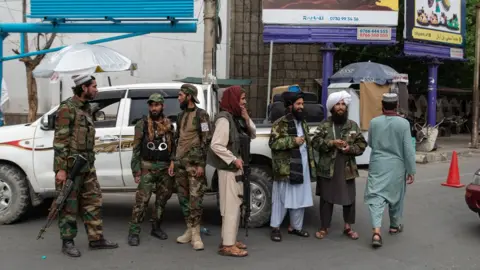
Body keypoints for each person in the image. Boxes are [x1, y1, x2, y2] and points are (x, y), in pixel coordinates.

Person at [53, 74, 119, 257]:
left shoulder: (87, 108)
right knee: (68, 204)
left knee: (93, 201)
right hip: (71, 167)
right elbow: (60, 141)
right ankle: (67, 242)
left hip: (87, 165)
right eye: (94, 86)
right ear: (84, 88)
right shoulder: (67, 108)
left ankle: (96, 239)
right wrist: (61, 170)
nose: (97, 90)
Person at [311, 90, 367, 240]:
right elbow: (315, 142)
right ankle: (324, 227)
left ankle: (348, 227)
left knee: (349, 198)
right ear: (332, 108)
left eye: (343, 104)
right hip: (328, 168)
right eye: (338, 104)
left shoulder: (352, 125)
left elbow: (362, 144)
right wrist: (331, 143)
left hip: (346, 168)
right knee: (326, 198)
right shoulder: (325, 125)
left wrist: (350, 149)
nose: (341, 107)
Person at [208, 86, 256, 257]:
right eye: (242, 99)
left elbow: (254, 133)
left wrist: (246, 116)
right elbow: (216, 145)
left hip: (236, 169)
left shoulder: (235, 118)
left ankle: (230, 240)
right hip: (229, 170)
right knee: (231, 207)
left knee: (235, 205)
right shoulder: (224, 119)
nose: (244, 102)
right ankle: (227, 245)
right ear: (233, 99)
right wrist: (233, 158)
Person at [364, 93, 416, 248]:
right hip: (397, 166)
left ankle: (376, 232)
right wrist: (411, 170)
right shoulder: (403, 123)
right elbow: (408, 149)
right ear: (397, 105)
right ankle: (394, 226)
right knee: (396, 196)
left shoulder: (374, 122)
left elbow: (371, 143)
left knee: (376, 197)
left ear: (382, 105)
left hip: (378, 164)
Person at [127, 93, 176, 246]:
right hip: (147, 167)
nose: (154, 108)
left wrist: (173, 163)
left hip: (164, 167)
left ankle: (156, 227)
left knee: (161, 200)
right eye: (151, 105)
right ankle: (134, 231)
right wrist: (136, 170)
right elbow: (136, 148)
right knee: (142, 201)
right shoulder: (141, 124)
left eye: (157, 105)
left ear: (162, 106)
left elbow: (173, 147)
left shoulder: (169, 125)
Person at [268, 87, 316, 242]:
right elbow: (273, 143)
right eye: (299, 104)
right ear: (290, 105)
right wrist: (292, 141)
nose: (302, 106)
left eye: (302, 104)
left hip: (302, 167)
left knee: (299, 198)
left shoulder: (303, 123)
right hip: (286, 169)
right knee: (281, 199)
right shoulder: (279, 124)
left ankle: (296, 227)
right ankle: (275, 228)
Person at [172, 83, 212, 251]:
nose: (179, 97)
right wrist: (173, 160)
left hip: (194, 165)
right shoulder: (180, 116)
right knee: (184, 198)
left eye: (181, 95)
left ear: (189, 96)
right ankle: (189, 229)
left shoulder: (202, 115)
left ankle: (196, 235)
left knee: (196, 199)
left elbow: (206, 139)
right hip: (180, 163)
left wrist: (202, 164)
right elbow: (177, 139)